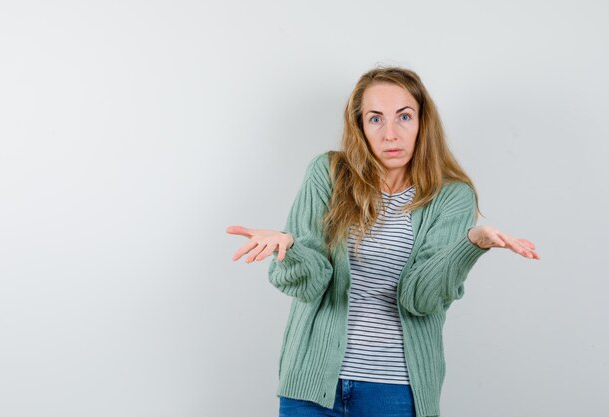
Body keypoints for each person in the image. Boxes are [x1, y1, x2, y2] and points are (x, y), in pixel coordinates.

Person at [226, 67, 539, 417]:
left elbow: (422, 298)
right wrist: (291, 247)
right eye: (376, 119)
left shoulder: (451, 196)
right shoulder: (328, 174)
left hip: (395, 391)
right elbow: (309, 284)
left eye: (404, 116)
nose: (391, 134)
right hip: (312, 386)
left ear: (423, 121)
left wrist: (471, 244)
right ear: (360, 126)